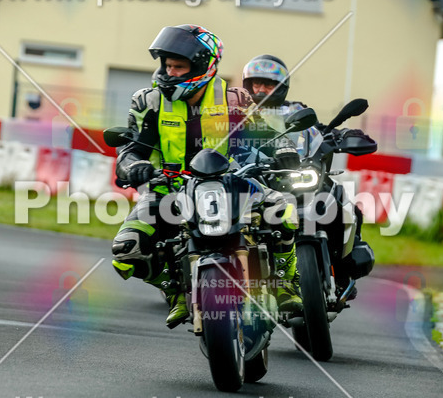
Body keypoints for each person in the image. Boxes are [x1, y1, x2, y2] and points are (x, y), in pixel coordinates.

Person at [111, 25, 303, 327]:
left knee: (282, 208)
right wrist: (133, 166)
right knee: (127, 249)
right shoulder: (148, 101)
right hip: (169, 189)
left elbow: (267, 134)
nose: (170, 72)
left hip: (232, 183)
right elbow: (131, 149)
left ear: (203, 66)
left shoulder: (234, 99)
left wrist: (285, 149)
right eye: (167, 65)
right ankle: (175, 290)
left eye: (179, 66)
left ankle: (285, 283)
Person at [241, 54, 375, 292]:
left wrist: (342, 135)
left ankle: (345, 264)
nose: (261, 90)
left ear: (281, 87)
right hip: (259, 180)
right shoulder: (240, 115)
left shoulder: (296, 110)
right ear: (247, 85)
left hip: (298, 173)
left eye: (268, 84)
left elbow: (316, 132)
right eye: (256, 83)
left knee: (337, 196)